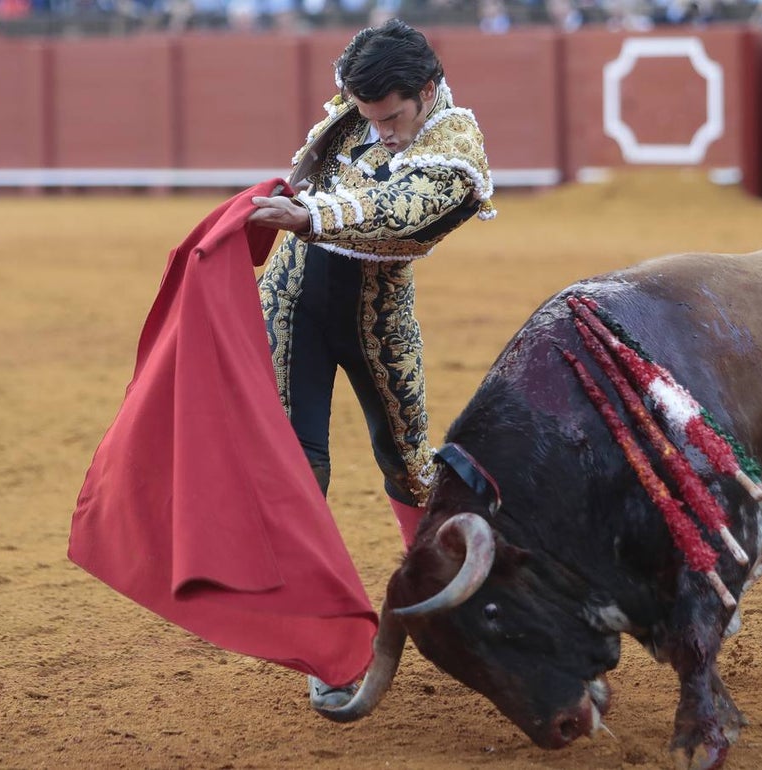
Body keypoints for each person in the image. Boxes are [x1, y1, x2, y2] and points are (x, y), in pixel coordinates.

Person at [247, 19, 495, 711]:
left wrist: (309, 218)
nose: (380, 131)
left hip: (378, 317)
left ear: (428, 91)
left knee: (411, 463)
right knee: (298, 470)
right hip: (293, 303)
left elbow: (396, 212)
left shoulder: (456, 150)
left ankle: (445, 604)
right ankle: (327, 643)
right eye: (369, 117)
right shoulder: (360, 104)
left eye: (392, 118)